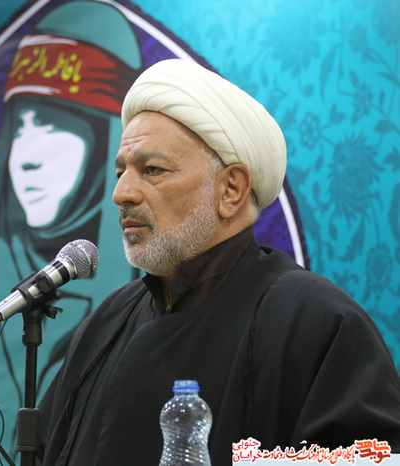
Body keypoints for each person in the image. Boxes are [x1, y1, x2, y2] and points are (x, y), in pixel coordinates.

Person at [36, 59, 400, 466]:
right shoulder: (104, 327)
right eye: (121, 171)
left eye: (152, 170)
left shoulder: (315, 322)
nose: (122, 193)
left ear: (231, 189)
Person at [0, 2, 143, 464]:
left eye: (52, 126)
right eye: (21, 128)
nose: (28, 157)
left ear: (102, 143)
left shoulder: (139, 311)